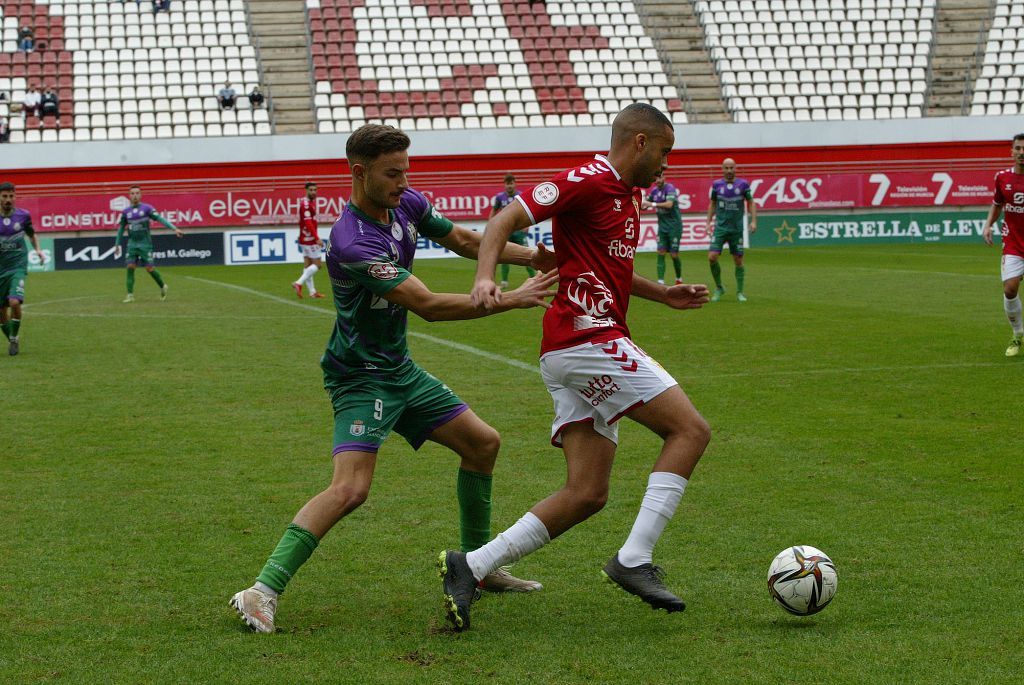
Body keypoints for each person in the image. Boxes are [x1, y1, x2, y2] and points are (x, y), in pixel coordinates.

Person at [229, 123, 558, 634]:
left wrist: (532, 257)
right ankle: (261, 590)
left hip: (398, 368)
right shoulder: (351, 242)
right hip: (361, 377)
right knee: (351, 489)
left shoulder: (404, 204)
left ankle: (477, 567)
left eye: (407, 171)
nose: (404, 182)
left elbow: (467, 241)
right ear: (358, 172)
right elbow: (426, 304)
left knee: (483, 444)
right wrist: (510, 298)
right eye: (392, 173)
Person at [438, 103, 711, 632]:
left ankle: (469, 566)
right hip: (587, 337)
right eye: (665, 151)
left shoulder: (629, 197)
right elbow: (503, 219)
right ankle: (634, 559)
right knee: (690, 431)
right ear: (639, 142)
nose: (667, 164)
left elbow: (609, 268)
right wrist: (485, 277)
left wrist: (663, 294)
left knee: (587, 493)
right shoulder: (585, 180)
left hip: (576, 346)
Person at [982, 132, 1024, 356]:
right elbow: (997, 203)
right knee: (1010, 289)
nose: (1022, 153)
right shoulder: (1002, 177)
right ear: (1012, 151)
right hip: (1013, 243)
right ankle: (1017, 334)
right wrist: (988, 225)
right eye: (1018, 148)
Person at [113, 185, 184, 302]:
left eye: (137, 193)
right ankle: (130, 295)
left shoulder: (147, 208)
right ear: (129, 196)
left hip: (145, 244)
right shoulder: (125, 212)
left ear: (140, 195)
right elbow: (121, 228)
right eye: (132, 193)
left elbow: (161, 219)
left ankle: (163, 286)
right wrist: (117, 244)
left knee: (149, 269)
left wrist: (174, 228)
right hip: (132, 244)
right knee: (130, 267)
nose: (135, 195)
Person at [0, 182, 46, 356]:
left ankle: (13, 337)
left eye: (11, 196)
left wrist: (38, 250)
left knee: (14, 301)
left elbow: (31, 234)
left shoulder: (23, 216)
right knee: (1, 311)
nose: (8, 200)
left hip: (17, 265)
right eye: (4, 196)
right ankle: (13, 338)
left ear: (15, 197)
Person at [706, 158, 756, 302]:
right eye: (726, 168)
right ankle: (719, 287)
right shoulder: (716, 185)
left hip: (736, 229)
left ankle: (740, 292)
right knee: (712, 257)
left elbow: (751, 202)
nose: (729, 171)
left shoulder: (743, 185)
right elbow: (712, 203)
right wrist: (708, 223)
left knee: (738, 260)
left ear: (735, 168)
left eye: (731, 168)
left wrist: (753, 221)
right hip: (720, 228)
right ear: (722, 169)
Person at [491, 174, 537, 288]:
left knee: (527, 255)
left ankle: (535, 279)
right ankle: (504, 282)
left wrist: (527, 226)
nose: (509, 186)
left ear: (515, 184)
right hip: (505, 231)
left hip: (519, 230)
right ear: (504, 185)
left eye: (511, 183)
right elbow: (494, 211)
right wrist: (491, 224)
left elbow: (528, 211)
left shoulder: (521, 196)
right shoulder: (499, 197)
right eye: (507, 184)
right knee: (503, 255)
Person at [642, 169, 683, 285]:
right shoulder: (654, 191)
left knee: (674, 255)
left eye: (660, 177)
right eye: (657, 178)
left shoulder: (670, 188)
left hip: (674, 227)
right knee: (660, 252)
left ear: (664, 178)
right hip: (662, 227)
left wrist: (652, 204)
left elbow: (669, 204)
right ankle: (660, 281)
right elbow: (645, 204)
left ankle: (679, 278)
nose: (658, 180)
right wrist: (640, 204)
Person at [291, 181, 326, 299]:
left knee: (308, 266)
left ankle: (312, 292)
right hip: (309, 239)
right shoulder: (306, 204)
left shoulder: (307, 203)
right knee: (318, 264)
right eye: (311, 190)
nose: (313, 192)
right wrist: (317, 238)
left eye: (315, 190)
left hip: (304, 239)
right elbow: (308, 222)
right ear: (306, 190)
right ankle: (298, 283)